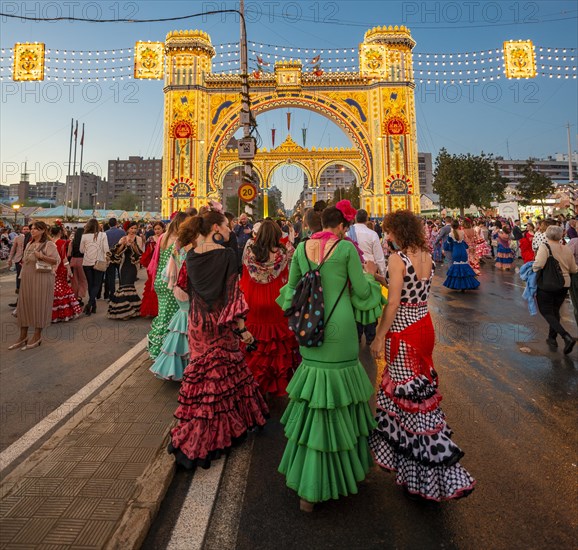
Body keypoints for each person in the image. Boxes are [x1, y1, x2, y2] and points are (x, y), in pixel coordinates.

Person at [276, 203, 384, 511]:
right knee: (343, 398)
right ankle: (348, 472)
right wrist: (372, 276)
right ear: (340, 226)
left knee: (315, 402)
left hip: (311, 329)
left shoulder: (301, 249)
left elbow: (291, 290)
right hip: (341, 328)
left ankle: (307, 489)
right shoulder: (346, 249)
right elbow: (362, 292)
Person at [370, 210, 476, 501]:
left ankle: (433, 464)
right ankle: (413, 463)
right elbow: (407, 289)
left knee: (411, 401)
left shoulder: (397, 258)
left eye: (389, 231)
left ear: (398, 232)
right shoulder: (426, 256)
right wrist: (377, 275)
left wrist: (379, 336)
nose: (386, 236)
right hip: (424, 326)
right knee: (419, 392)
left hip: (403, 331)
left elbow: (393, 302)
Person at [168, 208, 269, 470]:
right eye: (225, 226)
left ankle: (198, 430)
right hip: (221, 322)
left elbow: (182, 288)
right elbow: (233, 296)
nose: (228, 229)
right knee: (223, 376)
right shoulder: (227, 255)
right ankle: (215, 434)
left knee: (204, 377)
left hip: (198, 323)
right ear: (215, 229)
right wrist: (243, 329)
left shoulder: (190, 255)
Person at [240, 220, 299, 396]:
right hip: (276, 298)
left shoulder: (249, 252)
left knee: (255, 339)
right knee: (276, 342)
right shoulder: (284, 252)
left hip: (254, 299)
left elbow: (243, 275)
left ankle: (255, 380)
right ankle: (276, 382)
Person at [8, 221, 61, 350]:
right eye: (32, 228)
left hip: (42, 278)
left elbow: (56, 260)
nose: (32, 230)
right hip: (27, 277)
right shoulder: (29, 243)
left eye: (36, 229)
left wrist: (41, 256)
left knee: (39, 306)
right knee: (24, 306)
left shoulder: (49, 244)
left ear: (43, 230)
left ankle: (37, 336)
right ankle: (23, 336)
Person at [147, 212, 187, 359]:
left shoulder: (162, 238)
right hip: (172, 280)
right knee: (171, 317)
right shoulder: (179, 240)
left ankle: (156, 348)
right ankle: (164, 351)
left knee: (162, 314)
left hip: (160, 280)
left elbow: (156, 260)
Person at [532, 225, 577, 354]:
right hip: (564, 284)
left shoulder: (544, 247)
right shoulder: (567, 249)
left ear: (546, 235)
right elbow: (573, 269)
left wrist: (532, 268)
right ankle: (552, 338)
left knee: (546, 311)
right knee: (555, 311)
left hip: (548, 284)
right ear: (561, 235)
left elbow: (539, 264)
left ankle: (566, 336)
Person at [149, 243, 189, 381]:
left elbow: (167, 274)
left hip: (178, 288)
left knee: (180, 328)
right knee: (185, 327)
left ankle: (176, 368)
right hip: (187, 290)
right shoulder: (191, 248)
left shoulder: (178, 248)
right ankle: (185, 368)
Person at [348, 208, 387, 345]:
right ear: (367, 219)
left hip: (355, 273)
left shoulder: (348, 233)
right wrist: (382, 275)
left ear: (355, 218)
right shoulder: (372, 234)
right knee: (371, 305)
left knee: (356, 305)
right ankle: (371, 337)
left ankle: (357, 335)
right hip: (371, 273)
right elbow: (379, 257)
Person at [107, 222, 142, 320]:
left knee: (129, 285)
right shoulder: (123, 238)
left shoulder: (138, 239)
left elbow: (140, 253)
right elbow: (117, 253)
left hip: (133, 267)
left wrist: (133, 244)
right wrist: (123, 244)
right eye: (131, 228)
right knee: (123, 286)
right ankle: (127, 311)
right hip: (123, 265)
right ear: (127, 229)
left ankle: (130, 310)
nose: (133, 230)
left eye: (135, 228)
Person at [50, 225, 82, 323]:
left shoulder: (49, 243)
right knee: (62, 289)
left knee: (53, 289)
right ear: (60, 232)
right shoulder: (62, 242)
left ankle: (52, 313)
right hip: (60, 268)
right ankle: (64, 313)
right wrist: (68, 269)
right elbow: (64, 257)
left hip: (50, 268)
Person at [80, 219, 109, 315]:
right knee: (97, 284)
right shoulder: (103, 235)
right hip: (99, 261)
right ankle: (90, 304)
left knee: (91, 284)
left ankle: (93, 305)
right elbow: (106, 249)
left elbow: (81, 250)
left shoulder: (84, 236)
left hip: (87, 262)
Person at [443, 220, 480, 291]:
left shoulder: (451, 234)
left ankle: (458, 285)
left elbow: (448, 244)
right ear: (458, 225)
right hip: (463, 250)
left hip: (456, 251)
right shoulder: (462, 232)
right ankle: (466, 285)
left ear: (452, 226)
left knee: (457, 267)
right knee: (464, 266)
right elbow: (464, 242)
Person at [140, 221, 165, 317]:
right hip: (153, 265)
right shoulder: (151, 239)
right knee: (152, 285)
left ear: (163, 229)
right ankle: (152, 310)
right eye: (155, 229)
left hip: (163, 264)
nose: (157, 231)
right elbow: (147, 254)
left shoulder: (166, 238)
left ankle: (161, 310)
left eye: (159, 229)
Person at [7, 224, 31, 308]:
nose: (26, 230)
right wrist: (9, 259)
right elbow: (13, 249)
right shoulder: (17, 238)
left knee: (27, 280)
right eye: (24, 229)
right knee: (19, 278)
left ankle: (25, 300)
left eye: (27, 229)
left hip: (28, 261)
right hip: (18, 260)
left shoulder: (32, 238)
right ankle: (19, 297)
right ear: (21, 230)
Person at [104, 218, 126, 300]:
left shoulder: (105, 233)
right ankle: (121, 293)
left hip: (110, 256)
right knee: (121, 275)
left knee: (111, 277)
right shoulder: (122, 232)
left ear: (109, 224)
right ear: (116, 223)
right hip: (120, 255)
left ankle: (112, 294)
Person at [67, 227, 88, 307]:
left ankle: (74, 298)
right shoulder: (85, 242)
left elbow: (68, 254)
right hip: (82, 261)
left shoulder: (72, 242)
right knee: (83, 280)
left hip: (73, 261)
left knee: (74, 281)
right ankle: (79, 297)